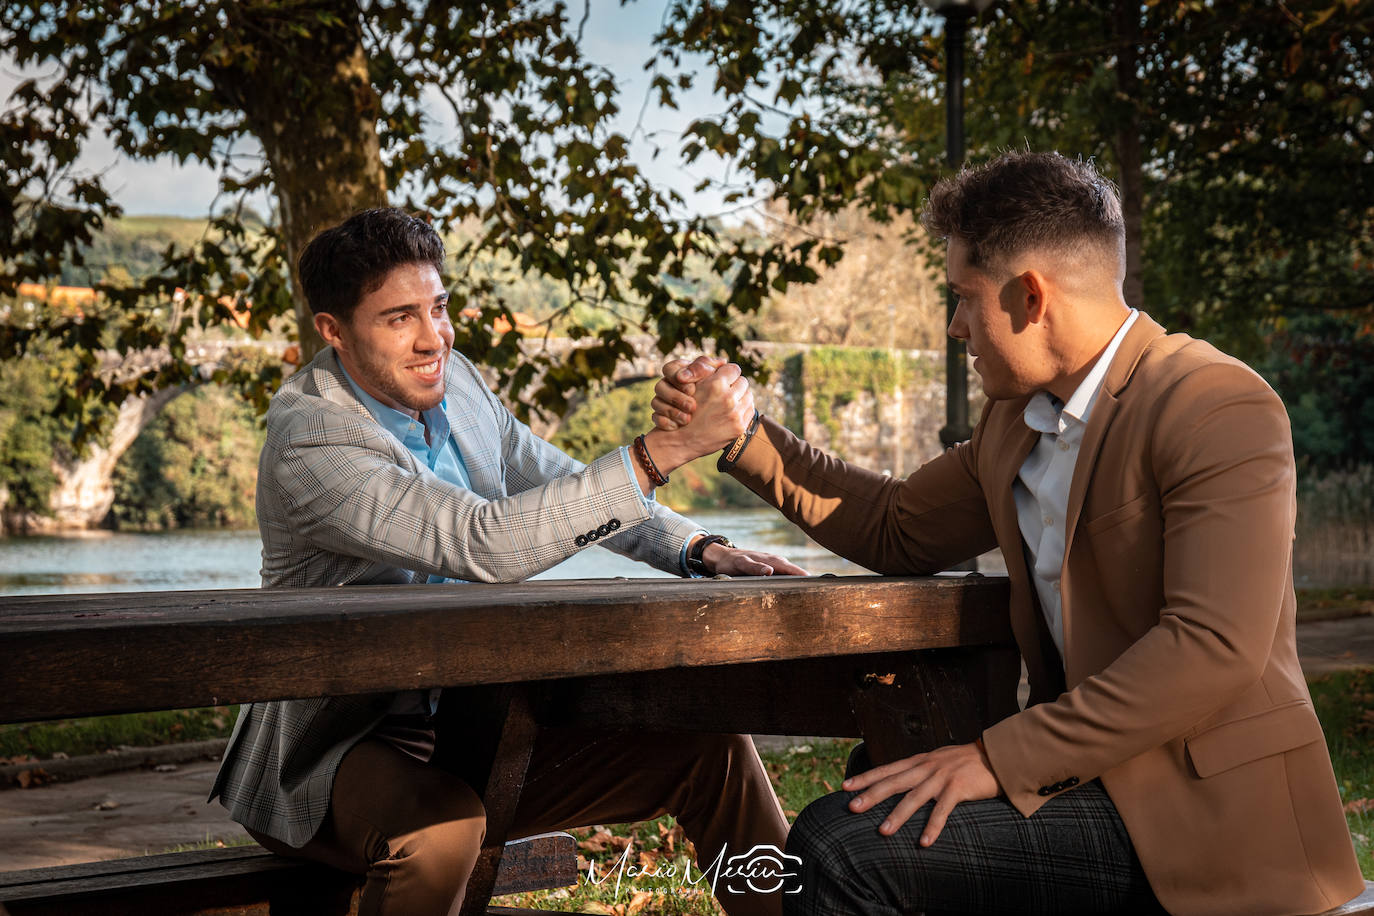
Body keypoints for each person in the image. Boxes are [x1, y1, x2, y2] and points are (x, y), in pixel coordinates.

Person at [651, 152, 1365, 915]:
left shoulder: (1216, 405)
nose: (957, 326)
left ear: (1031, 296)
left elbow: (1213, 647)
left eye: (964, 297)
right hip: (1095, 782)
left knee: (841, 846)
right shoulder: (1013, 423)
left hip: (1214, 818)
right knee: (877, 777)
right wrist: (743, 436)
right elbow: (896, 526)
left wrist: (998, 759)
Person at [210, 206, 806, 916]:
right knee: (442, 829)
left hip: (474, 732)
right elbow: (483, 541)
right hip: (328, 755)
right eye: (399, 318)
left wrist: (698, 549)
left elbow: (553, 481)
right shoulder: (311, 439)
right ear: (333, 331)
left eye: (438, 307)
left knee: (711, 753)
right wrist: (663, 452)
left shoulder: (456, 381)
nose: (434, 337)